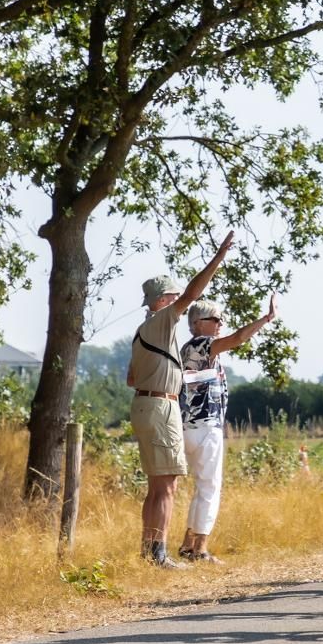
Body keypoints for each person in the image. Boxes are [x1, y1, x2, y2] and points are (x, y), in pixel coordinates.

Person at [127, 231, 234, 568]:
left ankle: (150, 551)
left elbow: (131, 378)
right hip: (160, 406)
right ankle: (158, 555)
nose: (179, 302)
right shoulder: (161, 321)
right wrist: (217, 258)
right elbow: (193, 292)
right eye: (173, 297)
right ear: (163, 300)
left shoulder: (147, 331)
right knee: (167, 486)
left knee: (157, 486)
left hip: (146, 404)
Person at [177, 292, 278, 562]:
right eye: (215, 319)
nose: (221, 323)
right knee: (210, 487)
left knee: (202, 487)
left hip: (191, 426)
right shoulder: (203, 344)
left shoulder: (189, 347)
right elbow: (238, 339)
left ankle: (189, 544)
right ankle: (200, 549)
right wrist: (265, 319)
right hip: (205, 426)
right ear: (198, 323)